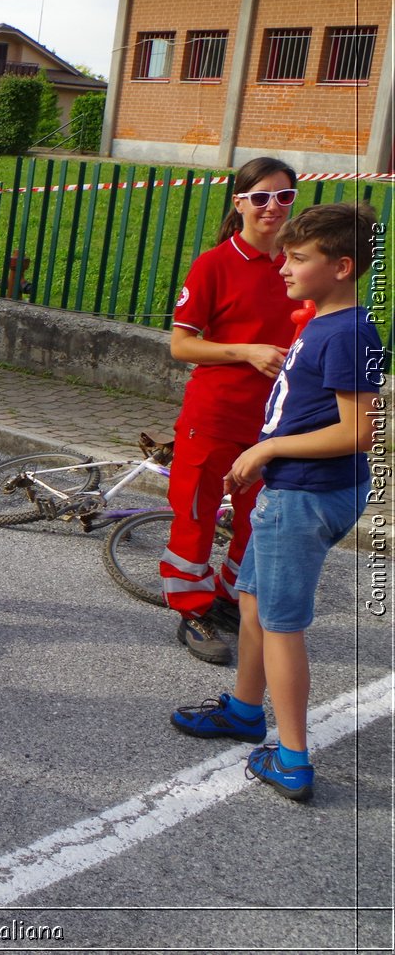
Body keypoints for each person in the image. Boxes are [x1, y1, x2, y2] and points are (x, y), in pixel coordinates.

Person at [170, 203, 382, 802]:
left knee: (282, 625)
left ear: (341, 266)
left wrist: (266, 453)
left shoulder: (349, 331)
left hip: (304, 495)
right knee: (254, 603)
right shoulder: (324, 320)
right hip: (289, 489)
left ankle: (292, 757)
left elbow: (360, 431)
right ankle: (243, 709)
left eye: (298, 258)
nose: (283, 267)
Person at [162, 157, 298, 665]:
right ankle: (191, 609)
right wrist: (246, 350)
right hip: (215, 413)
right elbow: (181, 346)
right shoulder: (214, 264)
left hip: (276, 421)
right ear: (238, 201)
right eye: (260, 196)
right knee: (196, 514)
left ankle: (225, 595)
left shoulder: (298, 263)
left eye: (283, 197)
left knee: (262, 520)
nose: (272, 207)